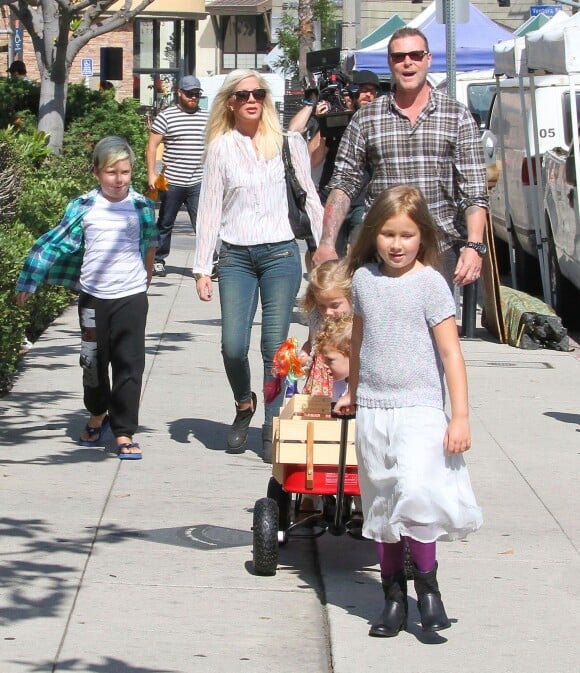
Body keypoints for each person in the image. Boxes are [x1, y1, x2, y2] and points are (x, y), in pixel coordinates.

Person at [334, 185, 483, 637]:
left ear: (423, 238)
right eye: (387, 235)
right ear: (372, 235)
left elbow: (451, 353)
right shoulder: (363, 281)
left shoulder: (430, 284)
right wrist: (353, 392)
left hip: (420, 408)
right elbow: (358, 343)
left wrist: (460, 416)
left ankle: (428, 585)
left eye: (406, 235)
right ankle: (393, 597)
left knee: (417, 493)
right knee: (381, 507)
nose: (396, 245)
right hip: (375, 409)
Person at [192, 69, 323, 463]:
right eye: (243, 94)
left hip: (281, 253)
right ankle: (244, 402)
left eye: (259, 93)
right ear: (230, 103)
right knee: (233, 346)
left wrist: (325, 249)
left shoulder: (289, 143)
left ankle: (270, 424)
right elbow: (210, 209)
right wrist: (202, 266)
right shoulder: (220, 147)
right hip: (236, 256)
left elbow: (310, 197)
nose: (252, 99)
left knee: (273, 345)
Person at [15, 136, 158, 460]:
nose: (119, 179)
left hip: (131, 298)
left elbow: (149, 244)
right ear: (96, 173)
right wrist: (29, 281)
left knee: (129, 366)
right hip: (94, 299)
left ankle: (124, 431)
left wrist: (145, 281)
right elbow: (53, 243)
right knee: (93, 365)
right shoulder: (83, 206)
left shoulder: (141, 205)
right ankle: (98, 413)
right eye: (111, 172)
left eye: (124, 172)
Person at [313, 27, 489, 289]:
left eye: (415, 55)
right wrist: (327, 242)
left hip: (439, 247)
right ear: (390, 62)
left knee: (434, 330)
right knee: (380, 328)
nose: (408, 62)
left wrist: (474, 246)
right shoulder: (366, 118)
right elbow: (344, 183)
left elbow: (473, 191)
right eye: (399, 56)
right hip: (382, 248)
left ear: (428, 59)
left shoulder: (457, 116)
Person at [309, 69, 380, 257]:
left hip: (364, 200)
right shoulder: (337, 118)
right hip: (334, 196)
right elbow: (313, 160)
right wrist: (322, 123)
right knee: (333, 258)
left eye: (373, 91)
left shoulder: (379, 122)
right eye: (364, 90)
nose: (369, 95)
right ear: (352, 92)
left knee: (359, 254)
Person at [146, 75, 208, 277]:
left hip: (198, 179)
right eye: (189, 93)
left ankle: (208, 261)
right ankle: (158, 259)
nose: (193, 97)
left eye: (197, 94)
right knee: (165, 221)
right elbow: (152, 146)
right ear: (179, 93)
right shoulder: (167, 116)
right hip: (172, 179)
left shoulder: (207, 116)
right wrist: (151, 174)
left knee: (202, 222)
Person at [299, 259, 352, 398]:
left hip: (351, 385)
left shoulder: (356, 324)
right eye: (321, 305)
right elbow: (311, 342)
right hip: (321, 381)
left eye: (335, 305)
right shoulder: (317, 318)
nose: (327, 312)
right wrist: (303, 355)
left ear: (352, 297)